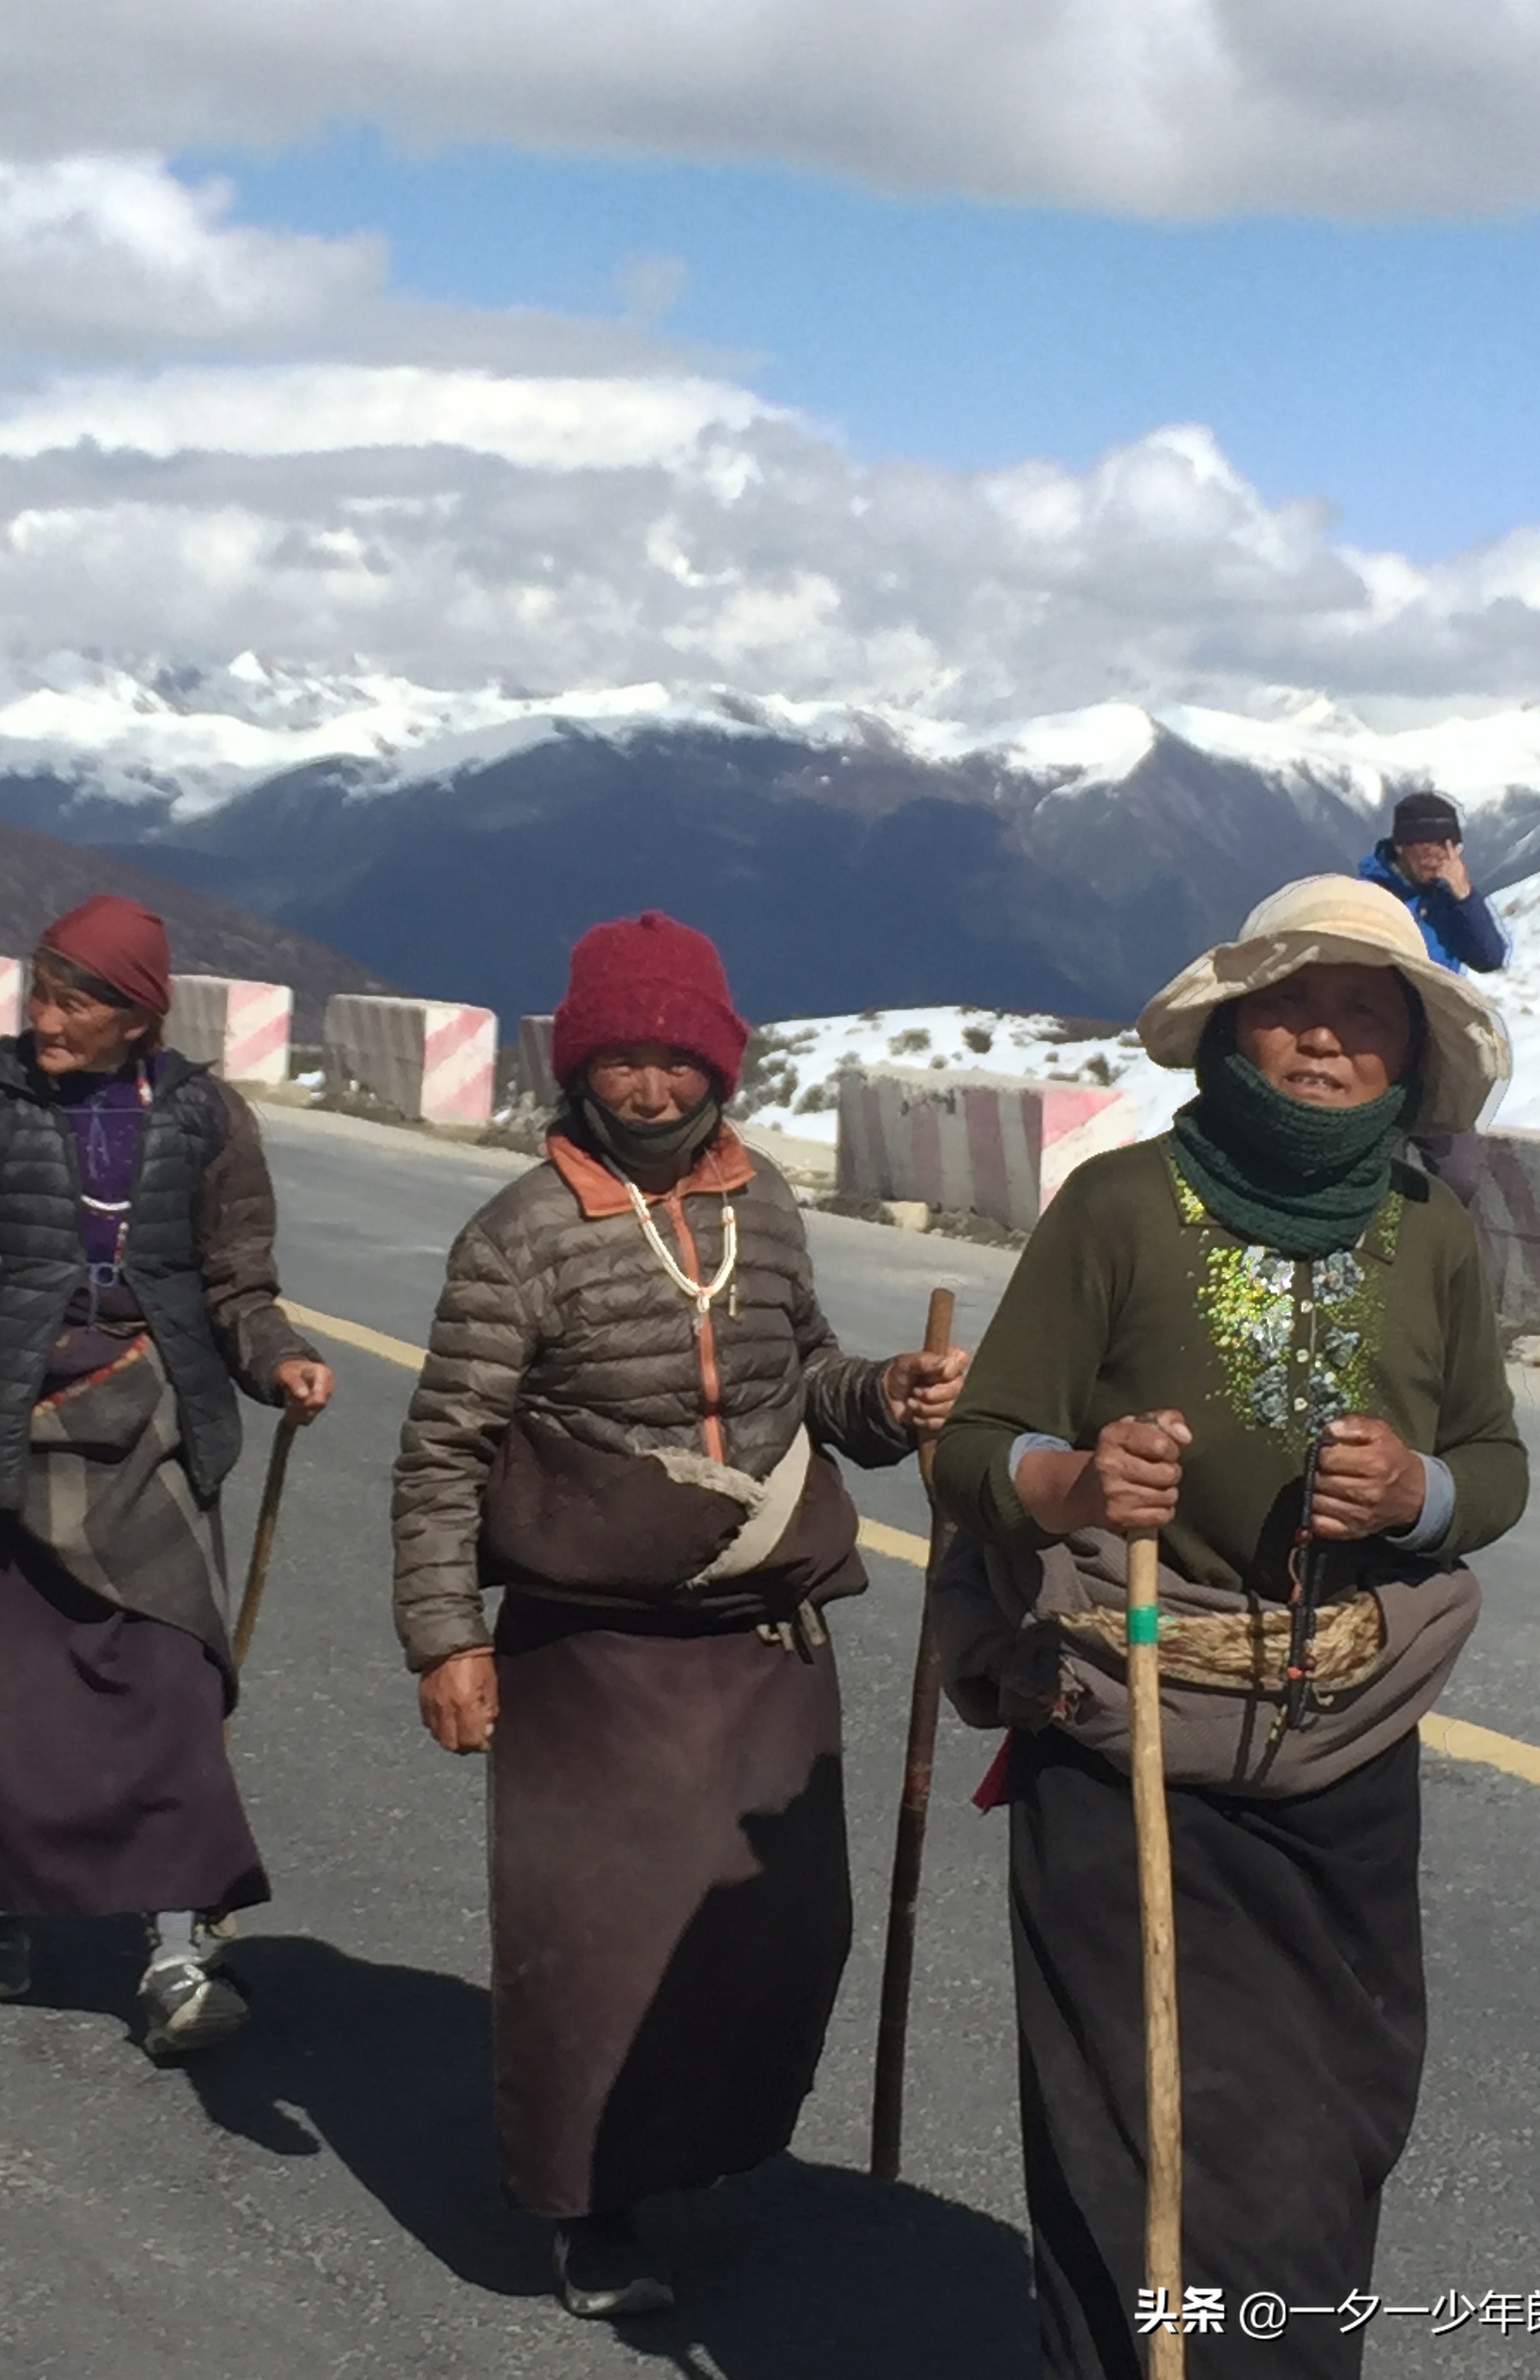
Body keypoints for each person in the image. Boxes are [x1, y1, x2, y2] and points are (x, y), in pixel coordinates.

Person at [930, 875, 1526, 2380]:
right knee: (1137, 2144)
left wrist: (1418, 1489)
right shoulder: (1122, 1207)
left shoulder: (1432, 1232)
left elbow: (1500, 1473)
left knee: (1331, 2131)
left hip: (1346, 1757)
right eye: (1291, 1009)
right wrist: (1066, 1477)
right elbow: (971, 1447)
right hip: (1126, 1742)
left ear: (1408, 1055)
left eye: (1364, 1015)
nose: (1324, 1042)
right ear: (1233, 1031)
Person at [390, 909, 967, 2321]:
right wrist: (447, 1634)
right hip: (592, 1656)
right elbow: (444, 1445)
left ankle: (702, 2144)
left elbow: (806, 1380)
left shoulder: (760, 1202)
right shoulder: (516, 1232)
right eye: (620, 1059)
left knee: (774, 1929)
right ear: (577, 1063)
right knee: (597, 1948)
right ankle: (590, 2202)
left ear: (720, 1063)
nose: (647, 1087)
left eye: (673, 1058)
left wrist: (886, 1397)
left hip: (763, 1644)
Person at [0, 895, 332, 2059]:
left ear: (139, 1017)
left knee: (173, 1693)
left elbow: (237, 1280)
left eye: (74, 1000)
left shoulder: (205, 1117)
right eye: (39, 990)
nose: (43, 1019)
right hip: (1, 1439)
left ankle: (177, 1953)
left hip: (152, 1433)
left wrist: (277, 1358)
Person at [1358, 790, 1508, 972]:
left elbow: (1490, 959)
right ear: (1401, 846)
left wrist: (1465, 897)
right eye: (1429, 846)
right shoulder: (1366, 897)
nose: (1439, 857)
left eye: (1449, 846)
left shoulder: (1449, 905)